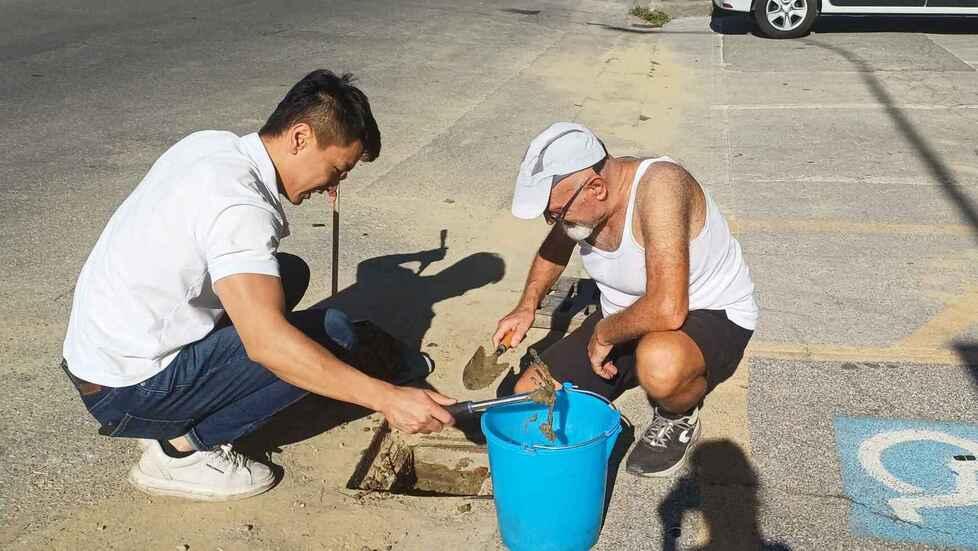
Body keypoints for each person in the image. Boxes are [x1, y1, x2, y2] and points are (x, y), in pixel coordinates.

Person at [61, 70, 456, 502]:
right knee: (333, 336)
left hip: (101, 355)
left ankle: (203, 389)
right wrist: (388, 398)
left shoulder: (212, 146)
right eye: (337, 170)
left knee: (288, 274)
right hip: (129, 392)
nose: (332, 187)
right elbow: (268, 345)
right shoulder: (241, 206)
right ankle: (179, 451)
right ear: (301, 137)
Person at [493, 122, 758, 477]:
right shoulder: (582, 203)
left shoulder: (661, 188)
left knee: (660, 365)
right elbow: (556, 245)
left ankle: (679, 413)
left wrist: (604, 336)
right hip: (625, 317)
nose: (552, 221)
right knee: (529, 395)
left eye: (555, 213)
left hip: (706, 312)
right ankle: (626, 372)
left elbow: (667, 308)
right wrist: (527, 306)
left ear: (597, 188)